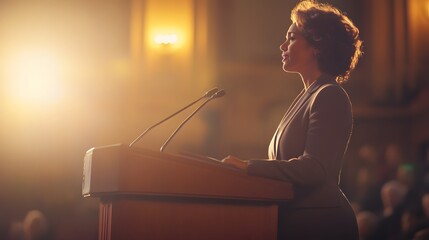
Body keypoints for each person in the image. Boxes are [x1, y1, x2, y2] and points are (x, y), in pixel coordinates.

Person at [222, 0, 363, 239]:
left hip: (322, 224)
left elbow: (314, 168)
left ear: (317, 45)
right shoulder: (309, 95)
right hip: (299, 221)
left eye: (291, 37)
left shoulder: (329, 95)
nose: (282, 45)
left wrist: (249, 167)